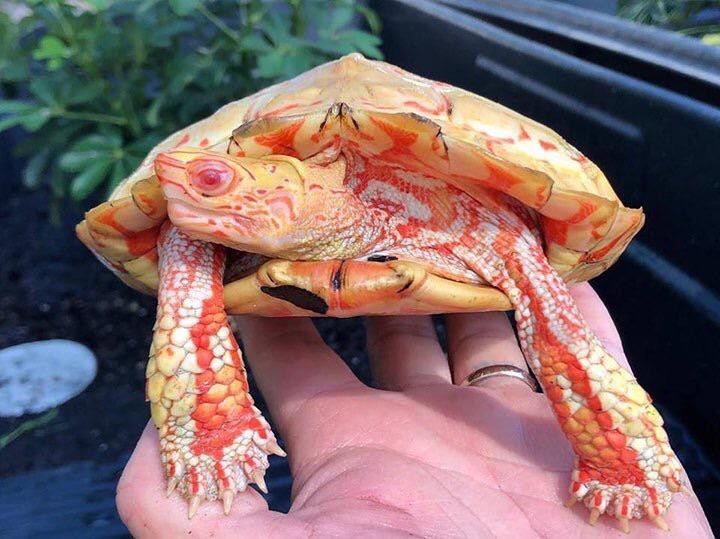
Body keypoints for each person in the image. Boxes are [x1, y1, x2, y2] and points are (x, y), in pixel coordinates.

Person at [116, 284, 712, 537]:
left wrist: (619, 461)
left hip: (480, 232)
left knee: (565, 331)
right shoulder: (218, 217)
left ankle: (624, 464)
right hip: (288, 237)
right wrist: (203, 415)